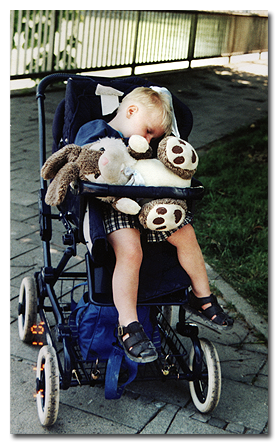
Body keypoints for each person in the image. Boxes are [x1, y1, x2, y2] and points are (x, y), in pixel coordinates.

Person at [75, 86, 233, 364]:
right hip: (115, 205)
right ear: (131, 111)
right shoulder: (96, 130)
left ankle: (202, 295)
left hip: (153, 206)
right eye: (148, 131)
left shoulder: (148, 147)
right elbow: (83, 161)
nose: (148, 140)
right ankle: (129, 325)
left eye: (154, 137)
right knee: (130, 250)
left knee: (186, 233)